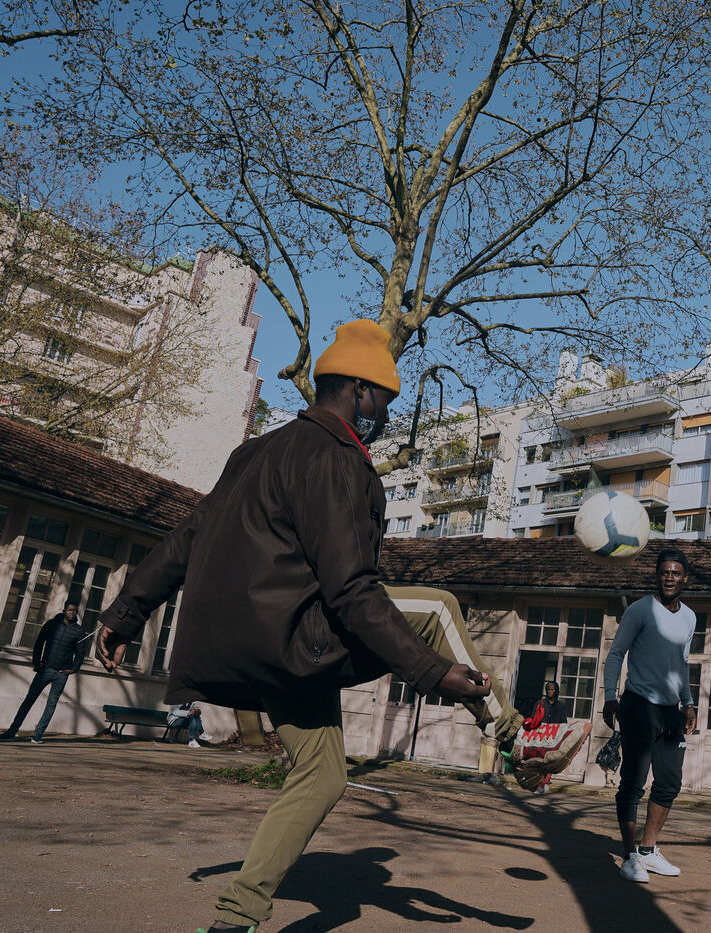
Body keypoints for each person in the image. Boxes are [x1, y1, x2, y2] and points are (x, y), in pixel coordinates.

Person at [94, 319, 492, 933]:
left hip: (254, 643)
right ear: (359, 388)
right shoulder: (336, 460)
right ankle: (516, 735)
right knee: (436, 607)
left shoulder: (254, 450)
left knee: (322, 775)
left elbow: (188, 537)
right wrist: (433, 673)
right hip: (293, 637)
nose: (385, 414)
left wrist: (126, 613)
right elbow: (351, 590)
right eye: (383, 399)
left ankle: (236, 918)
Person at [602, 547, 696, 883]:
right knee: (633, 782)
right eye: (664, 572)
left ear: (685, 578)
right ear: (657, 576)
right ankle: (630, 857)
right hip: (639, 705)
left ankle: (647, 850)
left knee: (669, 783)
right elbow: (616, 654)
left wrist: (688, 702)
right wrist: (609, 697)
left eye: (675, 573)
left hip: (670, 711)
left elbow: (681, 664)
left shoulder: (689, 617)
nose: (669, 578)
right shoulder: (640, 610)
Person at [0, 601, 86, 744]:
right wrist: (36, 663)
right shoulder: (51, 625)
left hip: (61, 673)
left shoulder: (79, 631)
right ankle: (11, 732)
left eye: (74, 610)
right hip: (45, 670)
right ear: (64, 610)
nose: (72, 612)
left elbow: (80, 653)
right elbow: (39, 643)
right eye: (69, 610)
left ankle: (37, 736)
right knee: (29, 700)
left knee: (51, 704)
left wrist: (74, 669)